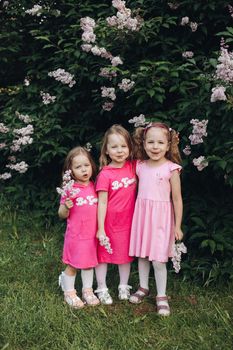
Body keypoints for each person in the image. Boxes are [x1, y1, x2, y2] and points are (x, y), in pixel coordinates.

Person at [129, 122, 183, 316]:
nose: (155, 146)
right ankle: (143, 287)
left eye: (160, 142)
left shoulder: (172, 169)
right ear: (143, 144)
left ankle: (161, 295)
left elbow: (176, 199)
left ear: (168, 146)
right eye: (150, 142)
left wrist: (178, 225)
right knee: (142, 255)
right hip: (142, 215)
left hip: (161, 218)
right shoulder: (140, 166)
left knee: (158, 260)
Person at [95, 124, 137, 304]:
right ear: (106, 150)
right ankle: (102, 288)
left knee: (124, 255)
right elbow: (102, 202)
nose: (119, 151)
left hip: (128, 222)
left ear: (129, 148)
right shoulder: (105, 174)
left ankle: (123, 286)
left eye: (123, 146)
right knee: (102, 256)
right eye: (114, 147)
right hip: (109, 223)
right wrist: (101, 228)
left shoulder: (133, 167)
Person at [58, 146, 100, 308]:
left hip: (91, 234)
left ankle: (87, 290)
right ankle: (69, 291)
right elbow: (61, 214)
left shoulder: (94, 186)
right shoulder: (69, 189)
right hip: (76, 235)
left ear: (92, 166)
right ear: (70, 171)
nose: (83, 170)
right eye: (78, 167)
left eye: (86, 165)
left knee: (89, 263)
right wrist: (66, 206)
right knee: (73, 264)